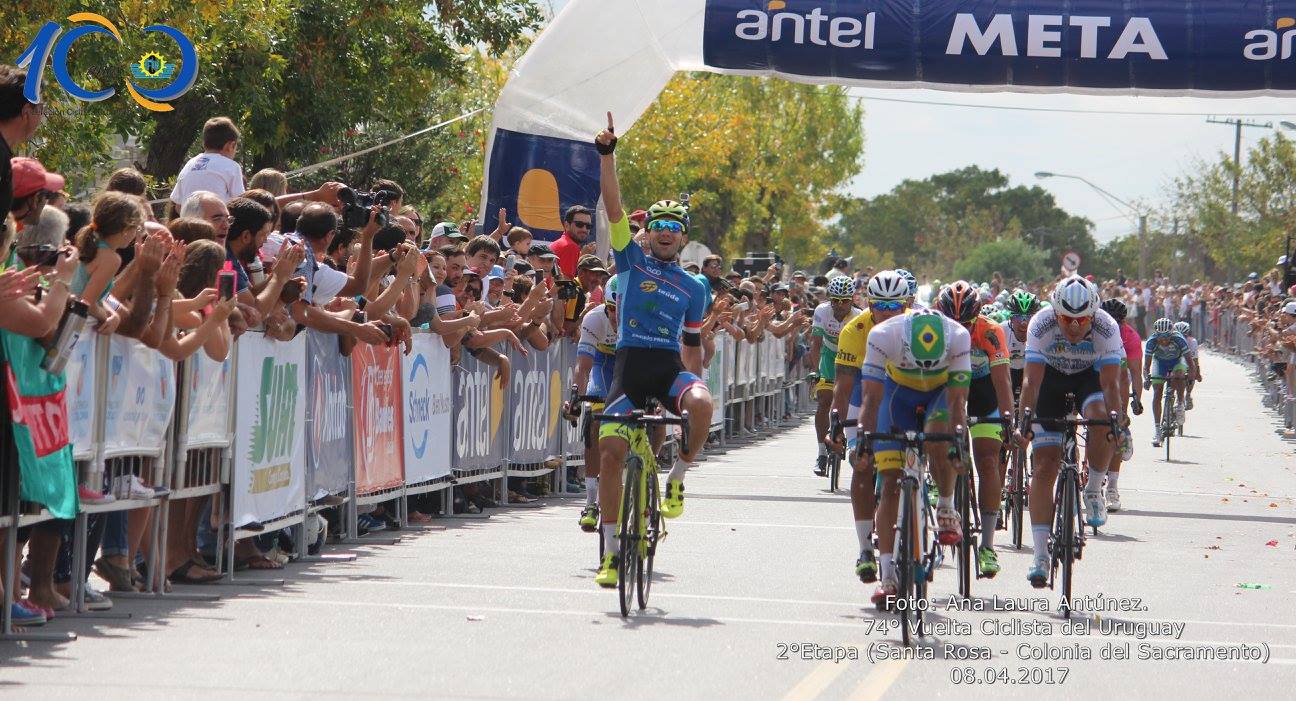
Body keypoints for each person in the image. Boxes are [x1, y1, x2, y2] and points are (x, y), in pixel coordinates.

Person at [591, 113, 713, 589]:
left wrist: (693, 390)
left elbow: (692, 347)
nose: (665, 231)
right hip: (629, 365)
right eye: (658, 224)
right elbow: (614, 206)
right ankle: (611, 551)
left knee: (703, 403)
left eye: (674, 226)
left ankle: (678, 478)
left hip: (666, 369)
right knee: (610, 452)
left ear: (683, 237)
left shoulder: (694, 286)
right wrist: (607, 155)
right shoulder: (630, 259)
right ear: (648, 232)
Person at [853, 308, 971, 605]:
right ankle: (888, 575)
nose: (925, 367)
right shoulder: (883, 335)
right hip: (897, 395)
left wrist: (958, 444)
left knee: (938, 438)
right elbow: (871, 397)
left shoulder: (958, 336)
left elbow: (958, 400)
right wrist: (863, 443)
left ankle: (945, 507)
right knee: (891, 480)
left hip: (940, 395)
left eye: (932, 363)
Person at [1015, 276, 1122, 588]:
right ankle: (1040, 555)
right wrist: (1024, 420)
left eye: (1081, 320)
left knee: (1101, 419)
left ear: (1093, 315)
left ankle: (1094, 489)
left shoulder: (1105, 327)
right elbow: (1031, 382)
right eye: (1066, 319)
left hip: (1089, 379)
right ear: (1055, 313)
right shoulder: (1041, 324)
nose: (1074, 327)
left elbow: (1111, 384)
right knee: (1044, 466)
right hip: (1050, 380)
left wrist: (1116, 422)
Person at [827, 269, 912, 583]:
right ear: (869, 303)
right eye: (880, 305)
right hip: (864, 395)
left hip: (903, 393)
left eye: (895, 306)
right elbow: (844, 385)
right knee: (862, 464)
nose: (887, 313)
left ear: (906, 304)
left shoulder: (918, 326)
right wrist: (837, 422)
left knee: (902, 469)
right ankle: (865, 548)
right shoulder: (855, 329)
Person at [934, 281, 1013, 578]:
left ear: (976, 317)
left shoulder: (991, 331)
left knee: (989, 460)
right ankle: (941, 493)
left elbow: (1003, 381)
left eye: (966, 324)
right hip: (945, 388)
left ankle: (988, 545)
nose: (959, 330)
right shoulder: (929, 328)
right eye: (952, 323)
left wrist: (1007, 418)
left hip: (982, 392)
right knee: (941, 441)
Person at [571, 275, 619, 532]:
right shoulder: (595, 318)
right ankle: (591, 502)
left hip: (630, 365)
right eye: (612, 309)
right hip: (603, 365)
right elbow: (584, 366)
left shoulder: (641, 318)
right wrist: (576, 394)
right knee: (594, 423)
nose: (616, 316)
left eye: (622, 309)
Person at [71, 191, 146, 335]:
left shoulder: (89, 245)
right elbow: (85, 302)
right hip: (77, 332)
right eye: (136, 229)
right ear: (125, 229)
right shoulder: (111, 259)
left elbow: (98, 296)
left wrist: (113, 311)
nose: (135, 234)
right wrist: (110, 316)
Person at [809, 276, 861, 476]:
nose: (839, 305)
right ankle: (822, 452)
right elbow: (815, 344)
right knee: (824, 401)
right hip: (829, 356)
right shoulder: (822, 311)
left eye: (844, 301)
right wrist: (817, 371)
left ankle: (846, 435)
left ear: (851, 299)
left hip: (850, 358)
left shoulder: (858, 315)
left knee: (847, 400)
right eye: (835, 300)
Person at [1100, 298, 1143, 513]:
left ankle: (1112, 488)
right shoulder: (1093, 329)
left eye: (1117, 322)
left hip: (1118, 380)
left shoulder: (1130, 337)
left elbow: (1133, 373)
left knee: (1116, 429)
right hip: (1095, 380)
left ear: (1123, 321)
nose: (1112, 325)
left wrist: (1130, 405)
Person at [170, 117, 245, 208]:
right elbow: (240, 203)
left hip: (189, 220)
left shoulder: (190, 164)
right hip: (218, 219)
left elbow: (178, 205)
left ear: (204, 143)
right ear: (231, 145)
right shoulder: (231, 166)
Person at [1142, 318, 1195, 447]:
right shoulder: (1151, 342)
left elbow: (1190, 362)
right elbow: (1146, 366)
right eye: (1160, 337)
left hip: (1177, 361)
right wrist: (1147, 378)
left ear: (1171, 333)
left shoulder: (1179, 339)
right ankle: (1157, 430)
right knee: (1157, 393)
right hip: (1159, 363)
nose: (1164, 340)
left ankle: (1180, 404)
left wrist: (1191, 377)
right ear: (1156, 334)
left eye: (1166, 337)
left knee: (1180, 375)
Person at [550, 205, 594, 279]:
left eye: (588, 226)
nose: (584, 229)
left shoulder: (563, 243)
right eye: (579, 224)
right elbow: (566, 284)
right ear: (567, 225)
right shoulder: (570, 246)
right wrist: (582, 258)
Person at [1173, 320, 1203, 410]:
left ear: (1187, 333)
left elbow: (1195, 359)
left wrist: (1197, 373)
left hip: (1186, 361)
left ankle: (1188, 394)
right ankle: (1171, 394)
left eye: (1184, 335)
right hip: (1175, 361)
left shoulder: (1192, 341)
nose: (1181, 337)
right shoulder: (1170, 340)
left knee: (1192, 370)